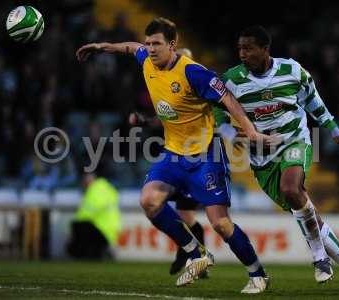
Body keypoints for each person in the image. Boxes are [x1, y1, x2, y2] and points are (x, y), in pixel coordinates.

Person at [77, 17, 278, 293]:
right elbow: (129, 47)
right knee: (149, 200)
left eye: (156, 44)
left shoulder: (194, 72)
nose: (150, 49)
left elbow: (228, 100)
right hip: (173, 153)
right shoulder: (146, 60)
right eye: (148, 44)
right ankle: (197, 254)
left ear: (172, 45)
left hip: (205, 153)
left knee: (220, 223)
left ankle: (258, 274)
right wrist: (101, 46)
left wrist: (251, 132)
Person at [214, 25, 339, 295]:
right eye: (239, 48)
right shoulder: (233, 79)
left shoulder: (291, 70)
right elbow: (216, 108)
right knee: (312, 218)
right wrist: (230, 133)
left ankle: (318, 257)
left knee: (292, 189)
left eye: (248, 48)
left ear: (265, 49)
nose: (242, 53)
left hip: (294, 140)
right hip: (262, 160)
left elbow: (313, 100)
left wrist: (333, 129)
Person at [129, 47, 206, 276]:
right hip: (174, 159)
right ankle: (193, 255)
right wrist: (142, 120)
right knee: (170, 209)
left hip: (197, 161)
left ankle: (192, 255)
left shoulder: (199, 89)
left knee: (188, 216)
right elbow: (161, 120)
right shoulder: (169, 93)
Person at [67, 173, 121, 260]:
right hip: (111, 232)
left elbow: (85, 215)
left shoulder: (95, 190)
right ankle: (101, 251)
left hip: (102, 230)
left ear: (87, 181)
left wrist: (71, 235)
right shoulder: (108, 189)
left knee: (78, 225)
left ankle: (89, 253)